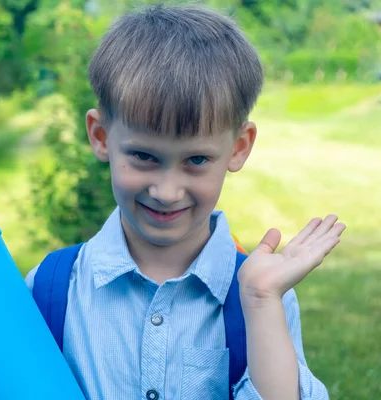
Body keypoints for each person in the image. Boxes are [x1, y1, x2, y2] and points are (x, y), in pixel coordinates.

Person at [25, 4, 345, 399]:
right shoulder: (52, 286)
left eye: (195, 160)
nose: (166, 191)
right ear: (101, 136)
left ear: (239, 148)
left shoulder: (261, 294)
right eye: (144, 156)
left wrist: (261, 301)